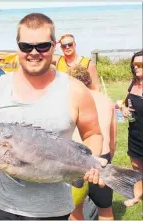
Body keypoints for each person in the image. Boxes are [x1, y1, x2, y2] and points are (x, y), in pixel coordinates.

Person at [0, 13, 105, 220]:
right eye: (26, 46)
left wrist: (91, 163)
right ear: (17, 47)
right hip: (0, 205)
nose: (34, 53)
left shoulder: (76, 91)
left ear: (53, 46)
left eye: (42, 46)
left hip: (53, 210)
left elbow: (93, 133)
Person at [68, 65, 117, 220]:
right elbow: (113, 137)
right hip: (102, 157)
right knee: (105, 209)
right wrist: (109, 156)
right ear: (88, 80)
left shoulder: (70, 100)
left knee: (75, 209)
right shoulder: (106, 100)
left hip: (75, 160)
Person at [122, 50, 143, 207]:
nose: (136, 67)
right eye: (133, 64)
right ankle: (137, 196)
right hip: (134, 133)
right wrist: (123, 108)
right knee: (136, 166)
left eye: (139, 64)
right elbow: (125, 102)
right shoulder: (133, 83)